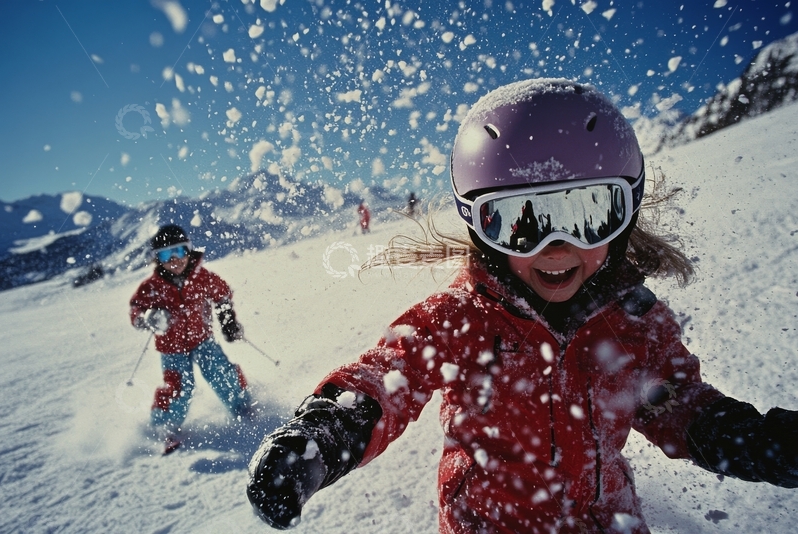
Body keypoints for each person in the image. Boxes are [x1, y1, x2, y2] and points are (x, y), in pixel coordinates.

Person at [246, 79, 798, 533]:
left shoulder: (633, 324)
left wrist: (750, 440)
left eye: (587, 215)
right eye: (519, 223)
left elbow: (675, 405)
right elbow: (390, 374)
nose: (554, 247)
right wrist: (325, 436)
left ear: (625, 214)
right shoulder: (461, 318)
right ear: (480, 229)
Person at [130, 224, 251, 453]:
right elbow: (136, 310)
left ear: (189, 251)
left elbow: (222, 294)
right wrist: (148, 318)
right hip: (171, 348)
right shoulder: (152, 287)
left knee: (221, 373)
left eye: (180, 251)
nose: (175, 259)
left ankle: (243, 406)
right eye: (166, 254)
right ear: (157, 259)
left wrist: (228, 320)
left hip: (203, 340)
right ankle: (166, 427)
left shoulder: (202, 277)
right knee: (178, 387)